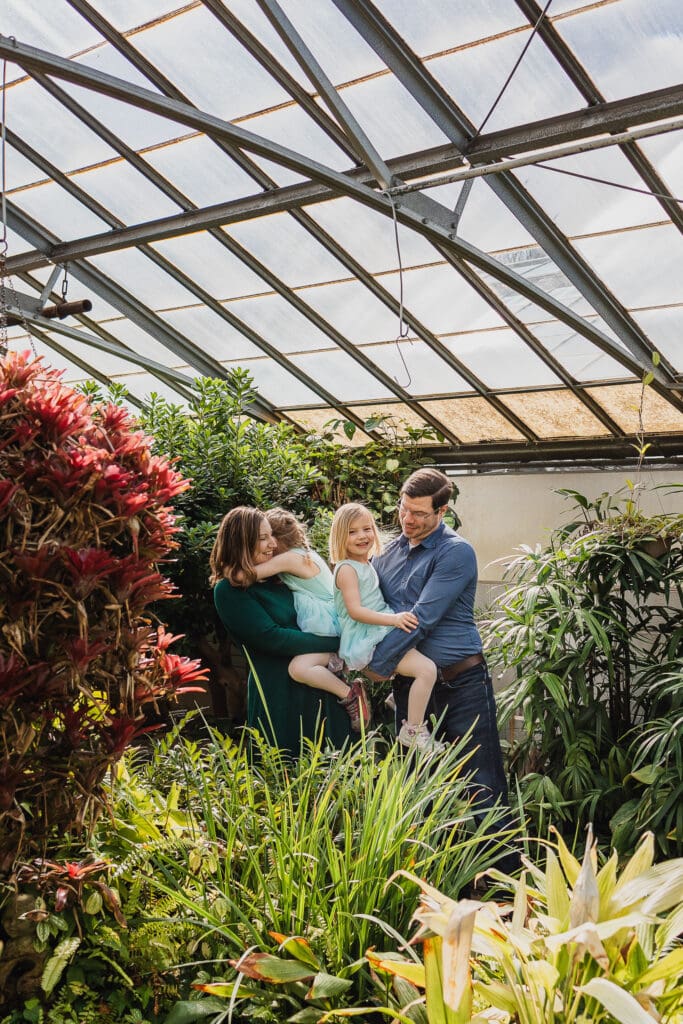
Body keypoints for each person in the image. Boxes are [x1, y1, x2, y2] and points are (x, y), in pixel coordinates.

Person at [367, 468, 519, 871]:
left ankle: (506, 887)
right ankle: (434, 881)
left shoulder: (456, 551)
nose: (408, 520)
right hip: (411, 686)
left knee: (481, 784)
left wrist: (376, 666)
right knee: (417, 783)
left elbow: (423, 617)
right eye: (403, 510)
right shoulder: (386, 554)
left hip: (462, 682)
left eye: (418, 513)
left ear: (442, 510)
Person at [210, 506, 355, 752]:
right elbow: (272, 638)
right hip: (280, 697)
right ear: (241, 542)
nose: (272, 544)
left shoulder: (282, 577)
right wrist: (336, 643)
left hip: (323, 690)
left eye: (272, 536)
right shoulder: (229, 591)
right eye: (263, 538)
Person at [329, 502, 442, 752]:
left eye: (367, 528)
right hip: (368, 635)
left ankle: (399, 700)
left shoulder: (366, 563)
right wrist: (394, 619)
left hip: (379, 629)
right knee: (427, 670)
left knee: (424, 656)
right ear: (340, 536)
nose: (362, 536)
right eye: (353, 531)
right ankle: (413, 730)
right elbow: (355, 611)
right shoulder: (347, 569)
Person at [247, 507, 370, 732]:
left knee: (299, 668)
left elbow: (248, 574)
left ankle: (351, 694)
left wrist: (227, 567)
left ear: (277, 539)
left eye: (267, 538)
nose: (267, 546)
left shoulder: (291, 559)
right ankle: (349, 690)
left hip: (329, 625)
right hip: (328, 622)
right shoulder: (303, 555)